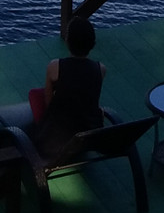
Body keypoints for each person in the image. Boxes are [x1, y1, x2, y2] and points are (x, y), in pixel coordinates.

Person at [29, 16, 106, 162]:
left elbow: (49, 102)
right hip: (89, 137)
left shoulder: (55, 67)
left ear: (67, 41)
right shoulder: (100, 69)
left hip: (56, 140)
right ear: (92, 44)